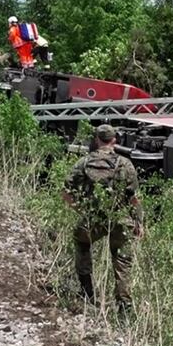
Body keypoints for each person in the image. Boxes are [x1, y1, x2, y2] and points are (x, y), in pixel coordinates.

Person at [62, 124, 143, 310]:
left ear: (97, 140)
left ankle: (87, 292)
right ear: (114, 140)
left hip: (94, 220)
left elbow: (66, 193)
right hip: (121, 220)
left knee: (81, 242)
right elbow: (134, 199)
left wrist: (82, 210)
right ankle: (124, 306)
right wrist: (139, 223)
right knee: (122, 262)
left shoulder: (84, 162)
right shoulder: (125, 164)